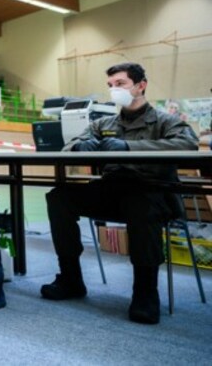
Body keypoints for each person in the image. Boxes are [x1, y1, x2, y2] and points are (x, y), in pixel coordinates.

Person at [40, 63, 198, 325]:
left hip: (152, 192)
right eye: (111, 85)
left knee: (140, 203)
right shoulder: (105, 123)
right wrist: (81, 146)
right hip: (112, 190)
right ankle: (71, 278)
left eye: (121, 84)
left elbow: (188, 144)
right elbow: (68, 146)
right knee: (59, 197)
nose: (115, 90)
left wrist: (129, 146)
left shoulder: (164, 121)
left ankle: (145, 293)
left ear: (140, 85)